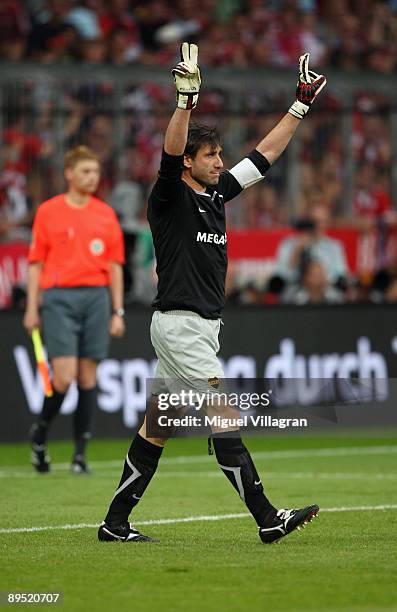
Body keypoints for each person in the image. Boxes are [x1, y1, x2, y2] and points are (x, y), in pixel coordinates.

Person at [98, 44, 326, 544]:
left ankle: (114, 525)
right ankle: (268, 518)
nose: (222, 162)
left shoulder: (217, 194)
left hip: (196, 326)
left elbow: (263, 158)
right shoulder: (170, 196)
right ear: (188, 164)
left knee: (156, 428)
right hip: (181, 326)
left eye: (221, 155)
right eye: (212, 156)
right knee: (225, 417)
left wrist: (299, 106)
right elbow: (168, 153)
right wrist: (185, 103)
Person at [23, 145, 125, 474]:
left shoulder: (105, 214)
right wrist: (31, 307)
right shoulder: (49, 211)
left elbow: (114, 266)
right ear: (69, 173)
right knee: (64, 377)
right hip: (58, 298)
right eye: (85, 172)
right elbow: (36, 263)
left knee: (87, 376)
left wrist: (117, 311)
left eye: (95, 172)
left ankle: (80, 456)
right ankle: (40, 432)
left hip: (96, 297)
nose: (91, 178)